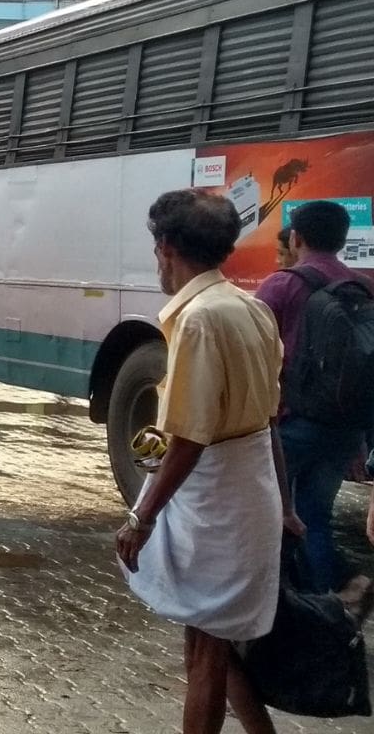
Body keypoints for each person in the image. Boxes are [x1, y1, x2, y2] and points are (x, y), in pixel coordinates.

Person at [117, 189, 293, 734]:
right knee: (209, 640)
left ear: (165, 247)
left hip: (216, 507)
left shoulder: (197, 319)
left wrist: (140, 517)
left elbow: (189, 440)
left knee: (204, 654)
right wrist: (284, 504)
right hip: (250, 494)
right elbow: (269, 422)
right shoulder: (252, 307)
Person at [254, 200, 369, 589]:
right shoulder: (362, 286)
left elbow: (251, 353)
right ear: (341, 239)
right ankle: (323, 609)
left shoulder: (281, 284)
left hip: (291, 423)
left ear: (297, 237)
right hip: (344, 426)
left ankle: (272, 606)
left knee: (263, 513)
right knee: (315, 515)